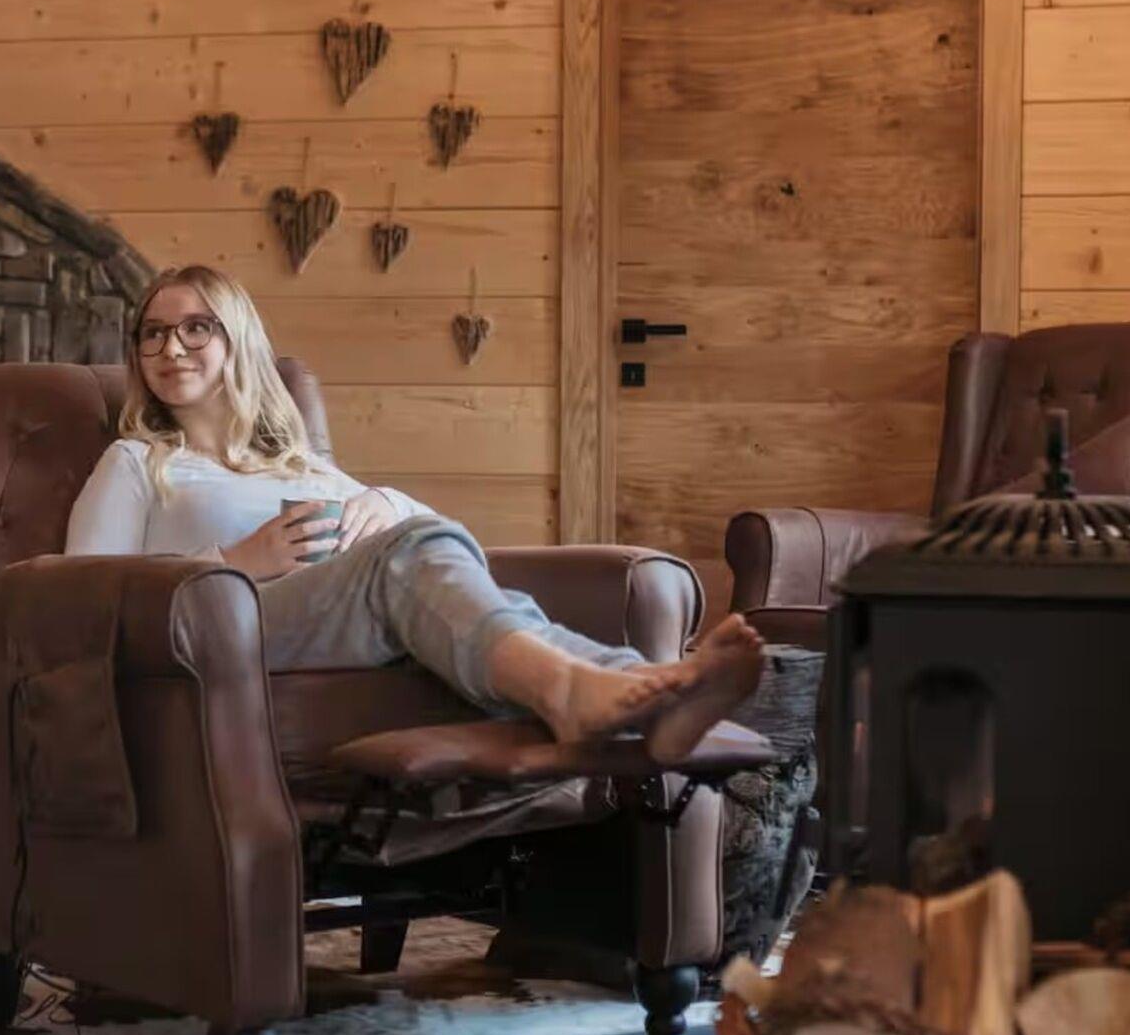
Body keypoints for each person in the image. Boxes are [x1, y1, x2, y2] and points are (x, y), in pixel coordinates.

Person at [64, 264, 763, 760]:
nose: (170, 348)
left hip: (344, 618)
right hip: (227, 628)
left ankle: (645, 685)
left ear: (236, 341)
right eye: (153, 333)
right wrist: (235, 561)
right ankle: (582, 690)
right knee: (405, 560)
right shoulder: (136, 461)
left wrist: (384, 500)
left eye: (195, 328)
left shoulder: (304, 467)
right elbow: (79, 601)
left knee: (483, 594)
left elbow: (448, 552)